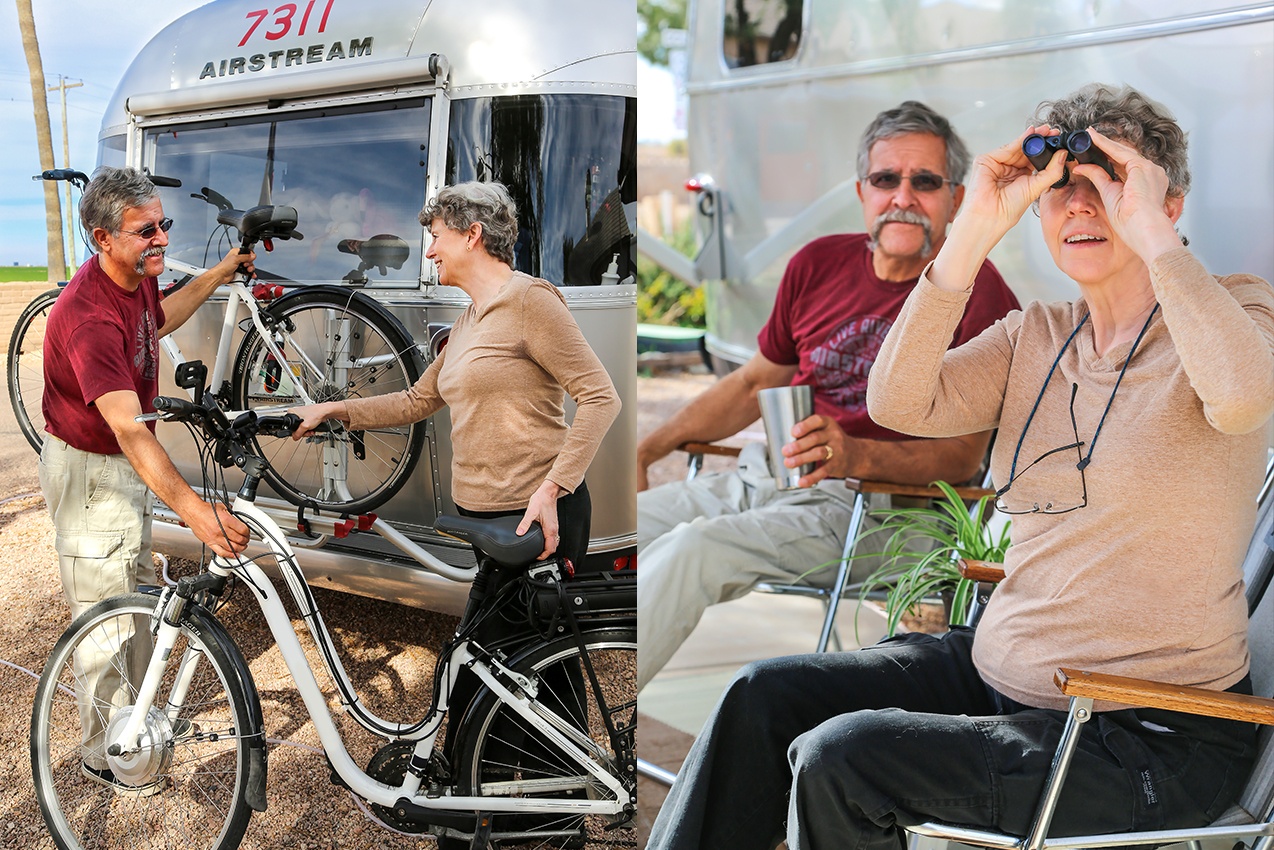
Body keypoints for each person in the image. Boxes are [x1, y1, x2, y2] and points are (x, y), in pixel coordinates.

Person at [647, 84, 1274, 850]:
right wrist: (974, 227)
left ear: (1168, 202)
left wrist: (1149, 232)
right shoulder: (1035, 337)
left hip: (1146, 730)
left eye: (1110, 186)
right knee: (762, 696)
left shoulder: (1237, 312)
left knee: (843, 760)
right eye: (1060, 190)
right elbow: (899, 401)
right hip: (1000, 682)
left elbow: (1243, 400)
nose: (1080, 207)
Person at [636, 101, 1020, 691]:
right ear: (862, 190)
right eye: (886, 179)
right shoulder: (818, 263)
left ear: (957, 198)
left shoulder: (980, 293)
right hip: (766, 479)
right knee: (618, 525)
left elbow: (965, 458)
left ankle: (589, 719)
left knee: (694, 549)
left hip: (878, 509)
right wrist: (648, 449)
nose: (903, 197)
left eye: (925, 182)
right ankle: (549, 687)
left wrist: (854, 456)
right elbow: (753, 382)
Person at [39, 166, 255, 789]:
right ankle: (106, 756)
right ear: (102, 238)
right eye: (144, 231)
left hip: (120, 465)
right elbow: (130, 429)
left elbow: (159, 319)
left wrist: (218, 272)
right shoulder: (87, 317)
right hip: (93, 470)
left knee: (134, 596)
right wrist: (195, 512)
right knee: (105, 616)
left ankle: (135, 730)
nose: (160, 237)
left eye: (164, 224)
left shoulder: (133, 279)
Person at [292, 181, 620, 569]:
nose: (429, 251)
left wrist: (552, 489)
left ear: (472, 235)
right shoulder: (467, 321)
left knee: (532, 630)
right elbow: (416, 400)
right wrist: (329, 411)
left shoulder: (530, 301)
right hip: (478, 511)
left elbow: (601, 397)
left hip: (533, 512)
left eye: (435, 237)